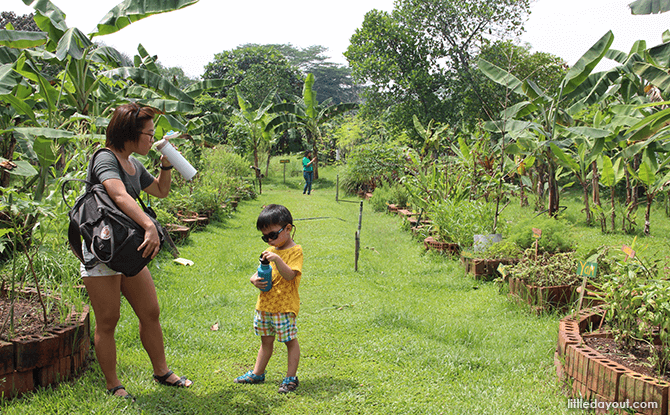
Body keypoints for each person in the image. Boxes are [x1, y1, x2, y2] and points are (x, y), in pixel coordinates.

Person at [80, 103, 192, 401]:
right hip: (103, 248)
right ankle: (114, 384)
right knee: (108, 319)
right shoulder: (106, 158)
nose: (151, 137)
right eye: (149, 133)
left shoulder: (134, 164)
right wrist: (149, 225)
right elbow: (116, 193)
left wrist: (166, 163)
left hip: (128, 246)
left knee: (150, 311)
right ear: (131, 132)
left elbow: (160, 191)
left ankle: (161, 371)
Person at [234, 204, 304, 393]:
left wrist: (277, 259)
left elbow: (290, 275)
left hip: (284, 307)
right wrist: (253, 279)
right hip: (265, 305)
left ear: (288, 228)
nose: (270, 240)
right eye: (266, 237)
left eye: (273, 235)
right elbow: (262, 272)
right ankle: (258, 373)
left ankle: (291, 378)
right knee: (265, 342)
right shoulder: (270, 250)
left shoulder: (295, 251)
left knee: (290, 341)